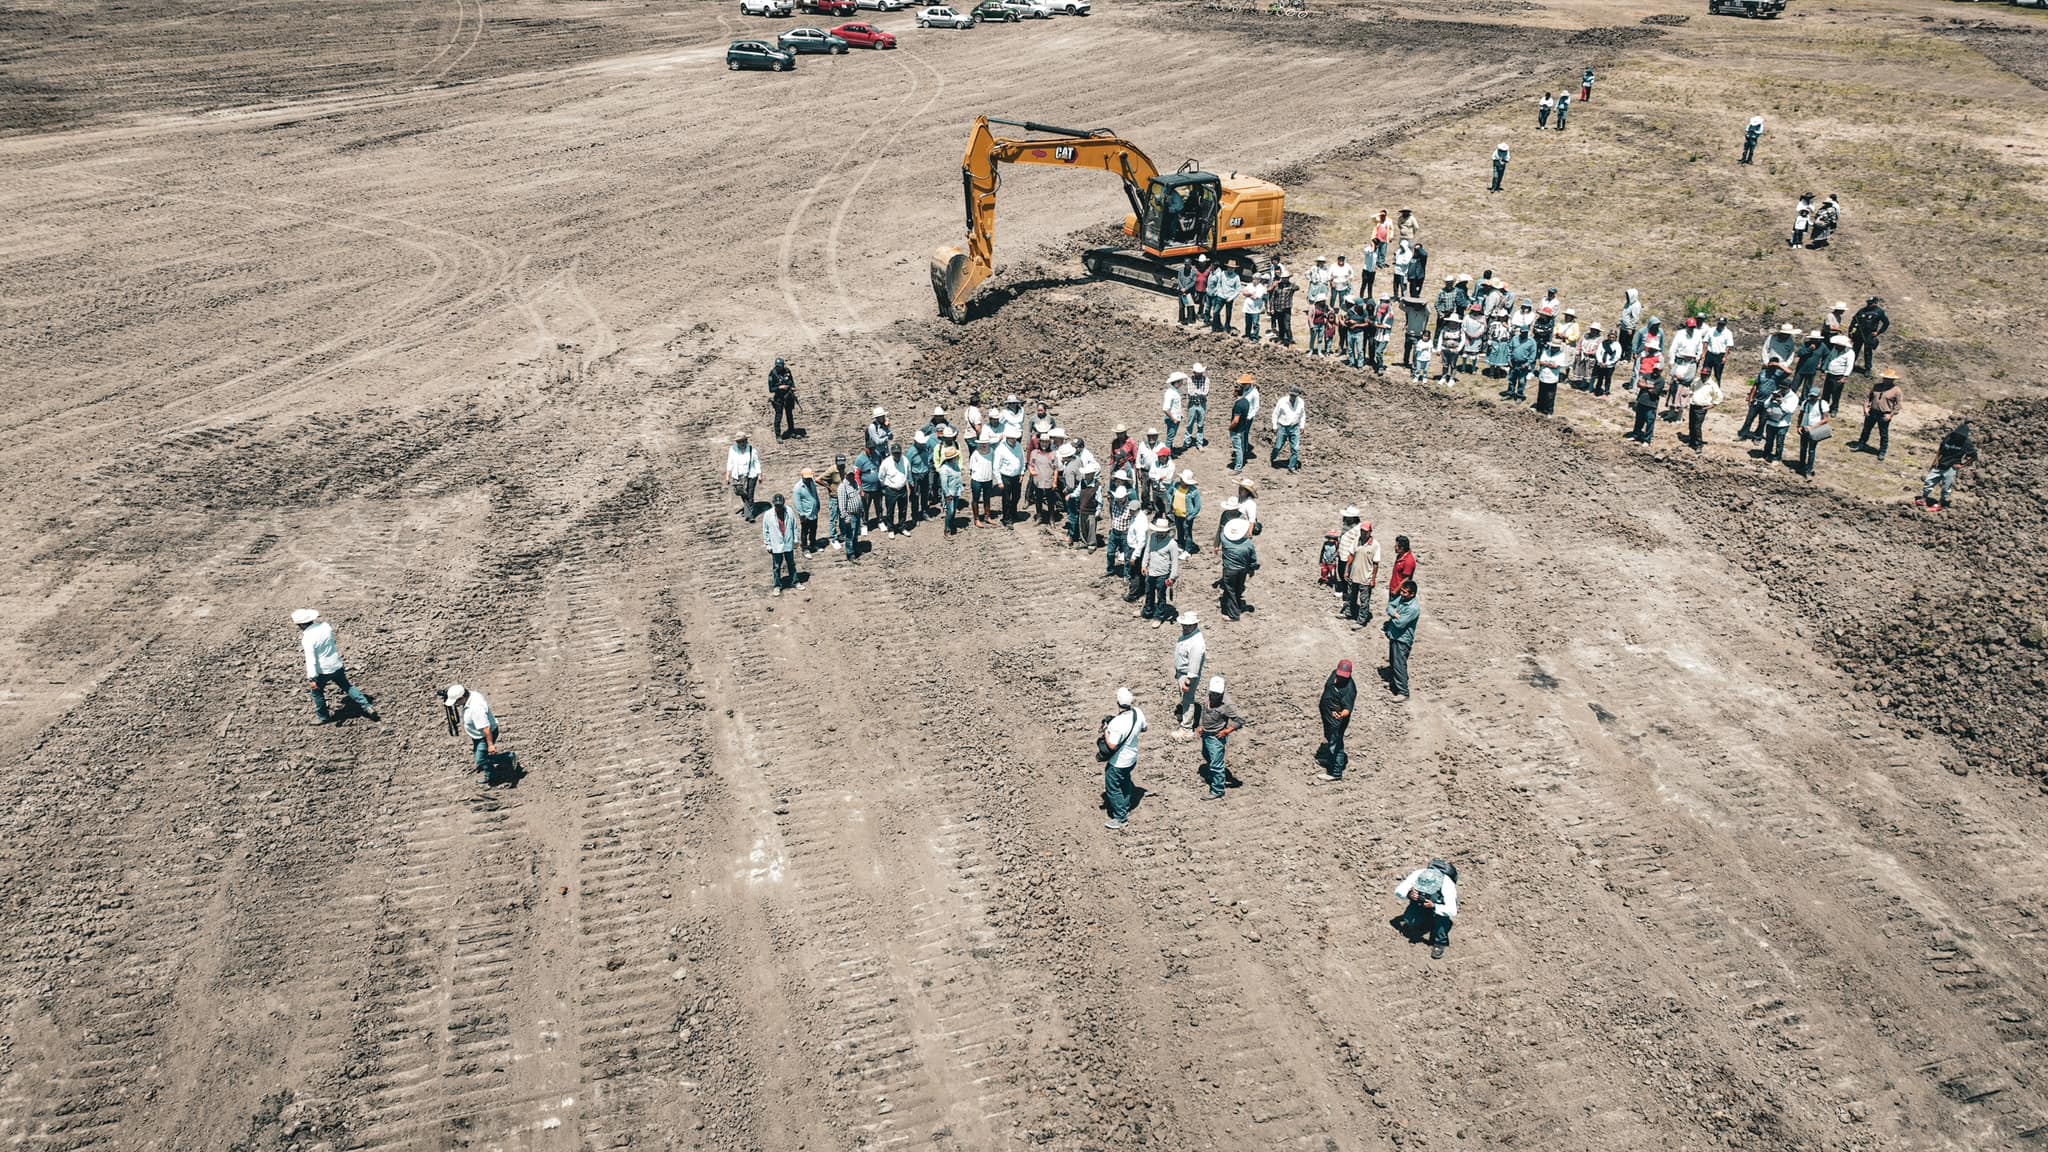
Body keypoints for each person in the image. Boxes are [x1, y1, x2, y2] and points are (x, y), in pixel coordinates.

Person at [292, 608, 378, 724]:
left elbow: (311, 659)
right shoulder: (326, 627)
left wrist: (312, 678)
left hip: (322, 671)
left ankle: (323, 717)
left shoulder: (307, 638)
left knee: (317, 693)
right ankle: (366, 706)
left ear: (301, 625)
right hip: (336, 665)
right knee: (347, 687)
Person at [1100, 687, 1146, 831]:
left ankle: (1121, 818)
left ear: (1117, 703)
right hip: (1132, 757)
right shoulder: (1138, 713)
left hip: (1118, 762)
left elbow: (1112, 745)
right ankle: (1125, 804)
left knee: (1112, 786)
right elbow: (1144, 728)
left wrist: (1107, 731)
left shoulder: (1116, 723)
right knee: (1125, 780)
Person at [1394, 859, 1459, 959]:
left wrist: (1434, 906)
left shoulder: (1447, 884)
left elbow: (1452, 910)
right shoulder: (1417, 874)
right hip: (1421, 904)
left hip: (1438, 904)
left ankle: (1440, 942)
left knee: (1442, 919)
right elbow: (1399, 891)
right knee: (1410, 920)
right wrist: (1409, 894)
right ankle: (1426, 920)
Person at [1197, 676, 1243, 800]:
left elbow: (1240, 720)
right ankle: (1212, 777)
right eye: (1212, 693)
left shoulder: (1228, 705)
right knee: (1206, 755)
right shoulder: (1208, 696)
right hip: (1206, 733)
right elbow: (1203, 711)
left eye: (1217, 694)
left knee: (1216, 764)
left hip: (1216, 737)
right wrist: (1201, 725)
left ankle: (1218, 790)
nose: (1214, 696)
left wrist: (1227, 731)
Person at [1311, 659, 1356, 783]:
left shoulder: (1349, 688)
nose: (1341, 678)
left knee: (1336, 744)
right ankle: (1331, 761)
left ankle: (1335, 773)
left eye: (1344, 676)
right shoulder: (1334, 674)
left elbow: (1348, 708)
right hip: (1327, 717)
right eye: (1340, 675)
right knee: (1330, 739)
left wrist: (1341, 715)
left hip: (1337, 721)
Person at [444, 683, 502, 775]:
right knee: (480, 755)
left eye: (456, 702)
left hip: (485, 735)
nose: (456, 704)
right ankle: (491, 776)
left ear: (462, 698)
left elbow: (486, 728)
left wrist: (490, 745)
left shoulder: (476, 708)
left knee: (481, 760)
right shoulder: (471, 695)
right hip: (478, 735)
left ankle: (508, 758)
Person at [1919, 421, 1977, 511]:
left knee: (1947, 486)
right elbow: (1941, 448)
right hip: (1940, 464)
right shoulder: (1950, 437)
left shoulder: (1966, 443)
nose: (1958, 437)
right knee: (1929, 481)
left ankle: (1941, 504)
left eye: (1960, 436)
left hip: (1951, 467)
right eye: (1957, 435)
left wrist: (1962, 465)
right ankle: (1923, 499)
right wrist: (1935, 460)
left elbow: (1974, 456)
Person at [1337, 509, 1379, 626]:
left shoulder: (1375, 545)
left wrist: (1373, 578)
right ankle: (1349, 612)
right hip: (1354, 573)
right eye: (1362, 531)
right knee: (1352, 595)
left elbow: (1376, 563)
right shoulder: (1357, 540)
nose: (1363, 533)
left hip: (1365, 576)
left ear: (1370, 532)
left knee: (1364, 599)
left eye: (1365, 531)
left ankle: (1361, 620)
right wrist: (1347, 570)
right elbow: (1351, 554)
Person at [1139, 517, 1183, 626]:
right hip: (1151, 571)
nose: (1160, 533)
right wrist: (1144, 564)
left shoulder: (1172, 544)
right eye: (1159, 531)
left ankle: (1159, 616)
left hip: (1163, 574)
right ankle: (1147, 612)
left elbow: (1174, 562)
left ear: (1167, 531)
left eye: (1162, 532)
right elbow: (1147, 551)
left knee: (1161, 596)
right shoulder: (1152, 537)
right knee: (1149, 593)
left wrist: (1172, 577)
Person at [1853, 370, 1903, 461]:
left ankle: (1882, 451)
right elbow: (1868, 397)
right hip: (1872, 412)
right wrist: (1865, 408)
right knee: (1866, 429)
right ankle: (1861, 444)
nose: (1886, 380)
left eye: (1889, 379)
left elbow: (1898, 405)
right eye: (1885, 378)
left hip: (1884, 414)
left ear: (1893, 380)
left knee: (1883, 433)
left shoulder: (1896, 390)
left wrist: (1891, 415)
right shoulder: (1877, 386)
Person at [1383, 579, 1418, 702]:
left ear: (1412, 594)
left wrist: (1395, 615)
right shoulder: (1402, 599)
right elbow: (1390, 607)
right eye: (1402, 591)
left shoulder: (1413, 608)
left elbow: (1400, 624)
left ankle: (1403, 692)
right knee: (1393, 662)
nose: (1402, 594)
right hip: (1394, 636)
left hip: (1402, 640)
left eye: (1405, 593)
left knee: (1399, 665)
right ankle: (1395, 684)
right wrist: (1395, 614)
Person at [1218, 516, 1258, 621]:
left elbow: (1222, 532)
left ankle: (1233, 615)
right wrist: (1252, 569)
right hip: (1243, 570)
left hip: (1229, 570)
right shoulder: (1248, 544)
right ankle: (1239, 604)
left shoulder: (1224, 539)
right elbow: (1253, 559)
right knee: (1239, 588)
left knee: (1230, 590)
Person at [1174, 612, 1206, 734]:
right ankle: (1185, 717)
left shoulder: (1196, 643)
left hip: (1187, 675)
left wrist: (1188, 681)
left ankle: (1186, 728)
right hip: (1181, 672)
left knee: (1188, 699)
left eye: (1188, 625)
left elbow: (1194, 666)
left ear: (1195, 625)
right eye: (1183, 625)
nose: (1185, 627)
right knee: (1185, 698)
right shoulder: (1187, 635)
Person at [762, 493, 798, 594]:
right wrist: (768, 544)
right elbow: (766, 531)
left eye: (780, 505)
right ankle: (777, 585)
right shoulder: (768, 515)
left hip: (788, 542)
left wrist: (796, 540)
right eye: (777, 505)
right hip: (776, 544)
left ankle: (795, 581)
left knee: (791, 563)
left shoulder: (789, 511)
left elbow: (794, 526)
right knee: (777, 566)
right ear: (774, 504)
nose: (778, 507)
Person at [1795, 386, 1830, 478]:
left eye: (1814, 396)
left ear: (1818, 396)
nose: (1812, 398)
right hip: (1804, 429)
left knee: (1811, 450)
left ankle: (1809, 469)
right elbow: (1801, 415)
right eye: (1811, 396)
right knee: (1803, 448)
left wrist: (1812, 427)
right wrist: (1798, 426)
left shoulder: (1823, 404)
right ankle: (1801, 465)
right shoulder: (1805, 403)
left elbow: (1826, 419)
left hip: (1815, 430)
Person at [1850, 297, 1889, 375]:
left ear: (1875, 303)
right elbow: (1854, 322)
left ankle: (1868, 369)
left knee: (1868, 352)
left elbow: (1886, 323)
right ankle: (1850, 366)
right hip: (1859, 333)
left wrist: (1878, 332)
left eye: (1871, 303)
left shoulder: (1879, 312)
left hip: (1869, 335)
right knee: (1855, 350)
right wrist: (1851, 332)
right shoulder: (1862, 311)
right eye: (1868, 303)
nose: (1869, 304)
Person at [726, 432, 761, 522]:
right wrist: (728, 475)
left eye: (742, 441)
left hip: (751, 475)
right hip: (738, 476)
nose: (741, 443)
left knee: (750, 495)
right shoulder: (732, 449)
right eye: (738, 442)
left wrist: (759, 474)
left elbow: (756, 463)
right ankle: (747, 511)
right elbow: (730, 462)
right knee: (742, 494)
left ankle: (750, 515)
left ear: (746, 441)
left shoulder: (752, 450)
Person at [995, 427, 1025, 526]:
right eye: (1011, 438)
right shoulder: (1000, 448)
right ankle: (1006, 518)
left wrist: (1022, 473)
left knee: (1017, 496)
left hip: (1016, 476)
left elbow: (1022, 460)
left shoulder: (1019, 446)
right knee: (1006, 499)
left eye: (1014, 438)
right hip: (1006, 477)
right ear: (1007, 438)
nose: (1013, 440)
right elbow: (996, 466)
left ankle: (1013, 512)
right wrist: (999, 481)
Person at [1270, 386, 1305, 471]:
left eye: (1294, 396)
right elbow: (1275, 414)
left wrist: (1302, 425)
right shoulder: (1282, 401)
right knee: (1278, 446)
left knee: (1295, 449)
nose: (1293, 397)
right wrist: (1274, 426)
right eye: (1291, 395)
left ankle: (1292, 467)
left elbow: (1302, 415)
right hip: (1283, 427)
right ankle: (1272, 458)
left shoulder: (1300, 402)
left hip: (1295, 427)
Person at [1684, 374, 1722, 451]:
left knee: (1697, 426)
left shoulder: (1712, 385)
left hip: (1702, 408)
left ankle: (1699, 444)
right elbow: (1692, 388)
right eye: (1702, 374)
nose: (1703, 376)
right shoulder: (1697, 381)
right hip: (1693, 405)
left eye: (1705, 375)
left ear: (1708, 375)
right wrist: (1691, 394)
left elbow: (1719, 396)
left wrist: (1713, 404)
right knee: (1691, 424)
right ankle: (1692, 441)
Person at [880, 442, 912, 532]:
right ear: (891, 453)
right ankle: (891, 529)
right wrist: (885, 487)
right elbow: (881, 476)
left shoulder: (905, 461)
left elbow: (908, 473)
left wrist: (909, 483)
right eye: (895, 453)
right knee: (890, 511)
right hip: (891, 490)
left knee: (903, 510)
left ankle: (902, 527)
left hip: (902, 489)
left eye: (898, 453)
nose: (897, 455)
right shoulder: (886, 462)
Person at [1170, 470, 1203, 554]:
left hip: (1187, 516)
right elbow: (1169, 493)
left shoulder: (1193, 491)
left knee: (1187, 533)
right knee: (1179, 530)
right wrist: (1171, 503)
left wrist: (1191, 515)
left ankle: (1188, 550)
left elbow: (1198, 506)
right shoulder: (1176, 486)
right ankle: (1181, 545)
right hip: (1177, 514)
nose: (1181, 481)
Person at [835, 468, 864, 561]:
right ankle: (850, 554)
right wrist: (846, 517)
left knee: (856, 534)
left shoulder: (855, 483)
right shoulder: (842, 487)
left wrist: (861, 510)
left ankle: (856, 550)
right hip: (850, 515)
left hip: (857, 514)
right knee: (850, 535)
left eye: (852, 474)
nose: (851, 476)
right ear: (846, 475)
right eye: (849, 475)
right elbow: (842, 505)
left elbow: (858, 497)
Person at [1822, 333, 1854, 415]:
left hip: (1839, 375)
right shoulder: (1834, 349)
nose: (1836, 346)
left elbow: (1849, 366)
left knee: (1836, 393)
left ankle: (1834, 409)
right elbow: (1829, 359)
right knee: (1826, 392)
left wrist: (1845, 376)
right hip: (1830, 373)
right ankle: (1823, 408)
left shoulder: (1850, 353)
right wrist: (1825, 371)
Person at [936, 446, 964, 535]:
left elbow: (959, 478)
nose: (957, 458)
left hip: (956, 491)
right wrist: (947, 495)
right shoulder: (944, 469)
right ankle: (947, 529)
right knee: (950, 511)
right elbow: (944, 484)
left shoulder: (955, 466)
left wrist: (960, 488)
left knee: (954, 510)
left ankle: (951, 525)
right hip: (950, 494)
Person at [768, 358, 798, 439]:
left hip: (788, 396)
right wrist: (780, 387)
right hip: (779, 398)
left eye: (780, 366)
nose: (779, 368)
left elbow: (791, 381)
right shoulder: (772, 374)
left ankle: (791, 431)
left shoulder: (787, 371)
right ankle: (778, 435)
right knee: (779, 416)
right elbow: (771, 389)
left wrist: (793, 387)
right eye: (777, 366)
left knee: (789, 415)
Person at [1227, 382, 1253, 472]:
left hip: (1236, 430)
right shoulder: (1246, 401)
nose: (1232, 392)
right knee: (1241, 448)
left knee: (1237, 449)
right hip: (1242, 429)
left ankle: (1238, 467)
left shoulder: (1238, 404)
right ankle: (1240, 462)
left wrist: (1230, 427)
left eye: (1234, 391)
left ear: (1237, 392)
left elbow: (1236, 420)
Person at [1185, 362, 1211, 451]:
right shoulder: (1190, 379)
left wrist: (1197, 393)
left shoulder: (1206, 379)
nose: (1199, 374)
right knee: (1190, 423)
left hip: (1201, 404)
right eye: (1198, 372)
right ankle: (1187, 442)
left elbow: (1205, 392)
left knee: (1200, 424)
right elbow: (1190, 392)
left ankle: (1199, 443)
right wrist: (1199, 393)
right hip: (1192, 403)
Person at [1209, 262, 1241, 333]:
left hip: (1230, 298)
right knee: (1216, 312)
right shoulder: (1223, 274)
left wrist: (1231, 297)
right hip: (1221, 296)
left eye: (1232, 268)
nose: (1230, 269)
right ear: (1227, 267)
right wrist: (1219, 293)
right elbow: (1219, 284)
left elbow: (1238, 290)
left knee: (1228, 314)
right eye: (1229, 267)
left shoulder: (1236, 277)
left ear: (1234, 269)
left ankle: (1227, 327)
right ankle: (1216, 327)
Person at [1703, 317, 1734, 385]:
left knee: (1718, 374)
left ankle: (1716, 391)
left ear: (1725, 324)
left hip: (1720, 355)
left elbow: (1728, 346)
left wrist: (1725, 357)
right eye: (1719, 324)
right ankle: (1703, 387)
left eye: (1722, 324)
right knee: (1705, 372)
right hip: (1710, 354)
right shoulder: (1711, 330)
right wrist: (1704, 354)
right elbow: (1705, 341)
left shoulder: (1728, 333)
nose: (1720, 326)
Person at [1162, 372, 1186, 450]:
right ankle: (1166, 455)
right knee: (1170, 438)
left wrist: (1180, 414)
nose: (1182, 383)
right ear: (1176, 382)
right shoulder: (1170, 392)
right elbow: (1165, 409)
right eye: (1180, 381)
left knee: (1172, 437)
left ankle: (1170, 452)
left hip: (1176, 418)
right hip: (1172, 419)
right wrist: (1173, 419)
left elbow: (1176, 406)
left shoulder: (1175, 391)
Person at [1241, 272, 1268, 340]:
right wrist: (1251, 293)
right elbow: (1243, 292)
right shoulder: (1249, 285)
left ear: (1259, 280)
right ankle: (1247, 335)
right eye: (1253, 279)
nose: (1254, 280)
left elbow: (1256, 297)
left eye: (1256, 279)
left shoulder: (1261, 287)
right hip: (1248, 308)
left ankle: (1255, 337)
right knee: (1248, 323)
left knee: (1255, 323)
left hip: (1255, 309)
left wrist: (1248, 294)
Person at [1177, 258, 1201, 325]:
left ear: (1190, 264)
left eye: (1188, 264)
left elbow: (1193, 282)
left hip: (1189, 292)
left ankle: (1190, 320)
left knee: (1189, 306)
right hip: (1181, 291)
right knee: (1181, 307)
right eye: (1185, 264)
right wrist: (1182, 288)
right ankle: (1181, 320)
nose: (1187, 266)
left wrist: (1186, 288)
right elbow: (1178, 279)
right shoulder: (1181, 271)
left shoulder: (1193, 272)